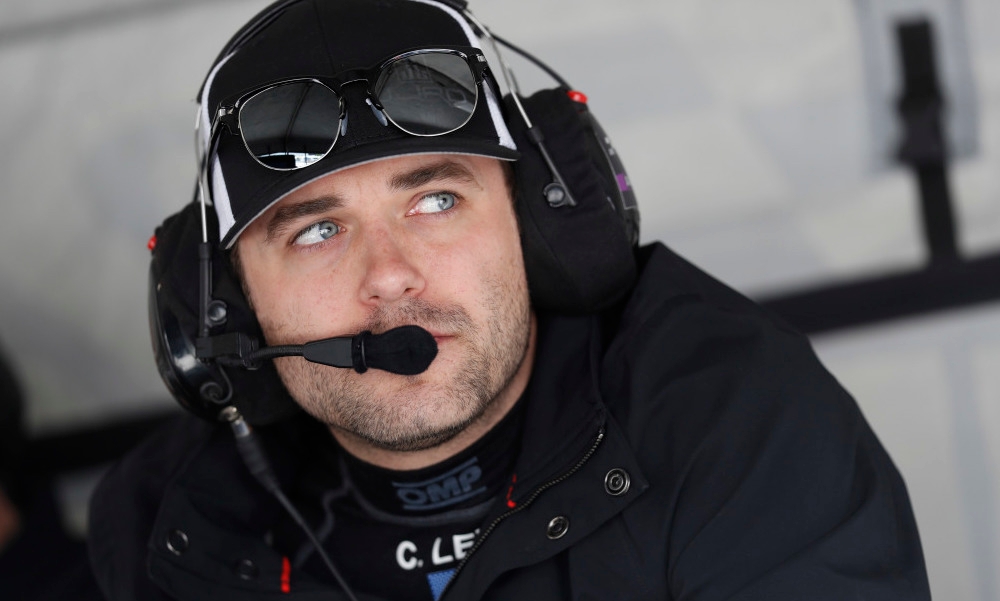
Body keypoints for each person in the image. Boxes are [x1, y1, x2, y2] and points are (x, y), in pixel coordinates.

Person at [88, 0, 932, 599]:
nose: (390, 275)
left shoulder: (735, 417)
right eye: (316, 230)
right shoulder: (163, 526)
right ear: (228, 305)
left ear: (539, 225)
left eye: (436, 200)